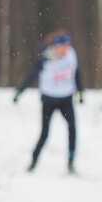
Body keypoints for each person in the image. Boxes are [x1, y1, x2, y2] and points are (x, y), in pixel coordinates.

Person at [13, 31, 83, 172]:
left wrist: (81, 91)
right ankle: (33, 161)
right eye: (62, 46)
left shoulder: (71, 56)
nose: (65, 49)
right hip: (49, 100)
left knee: (72, 129)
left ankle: (71, 161)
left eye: (67, 45)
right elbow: (31, 76)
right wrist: (19, 91)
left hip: (66, 99)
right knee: (45, 134)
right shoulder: (45, 60)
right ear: (55, 47)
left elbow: (76, 74)